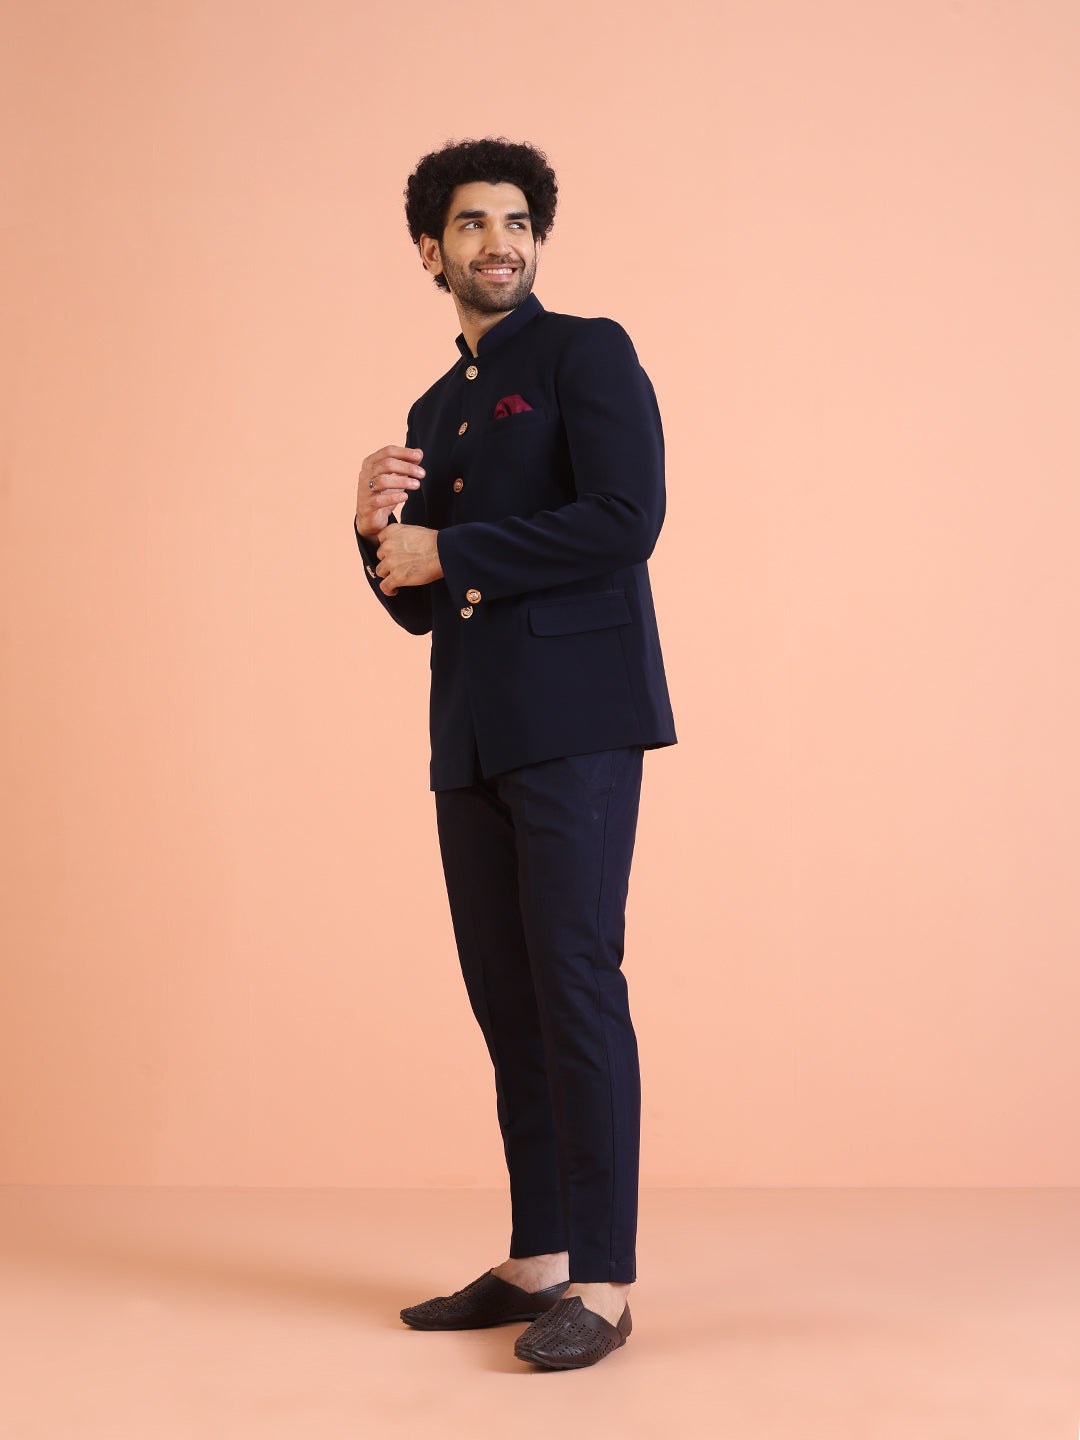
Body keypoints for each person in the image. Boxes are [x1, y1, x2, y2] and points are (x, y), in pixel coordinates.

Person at [353, 137, 676, 1370]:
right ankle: (540, 1255)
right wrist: (374, 531)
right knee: (508, 996)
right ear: (429, 251)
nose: (500, 242)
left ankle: (604, 1280)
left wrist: (454, 549)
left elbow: (627, 519)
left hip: (578, 718)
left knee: (576, 983)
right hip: (473, 732)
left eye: (517, 223)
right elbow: (419, 604)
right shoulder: (434, 410)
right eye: (473, 224)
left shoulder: (585, 351)